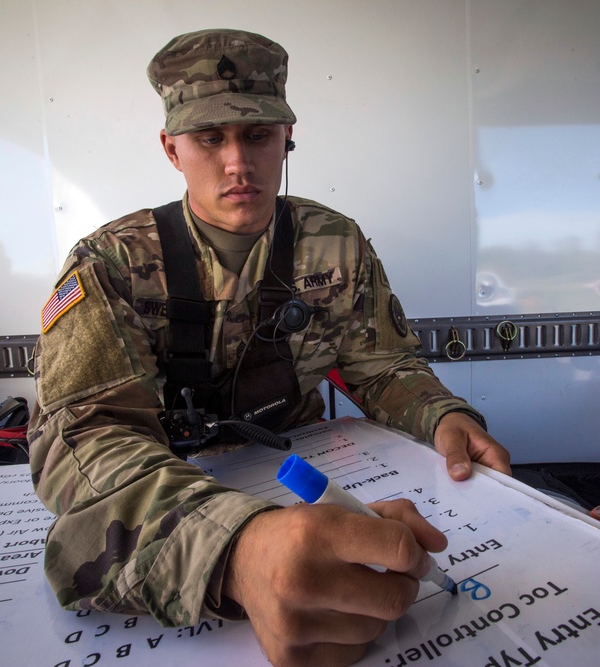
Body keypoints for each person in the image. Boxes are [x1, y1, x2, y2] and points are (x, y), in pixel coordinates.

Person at [28, 28, 511, 667]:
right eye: (210, 139)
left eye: (257, 135)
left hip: (297, 474)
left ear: (287, 137)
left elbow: (381, 362)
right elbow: (84, 438)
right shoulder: (110, 262)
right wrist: (236, 552)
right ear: (171, 149)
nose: (237, 163)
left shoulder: (334, 243)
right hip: (168, 483)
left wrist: (440, 413)